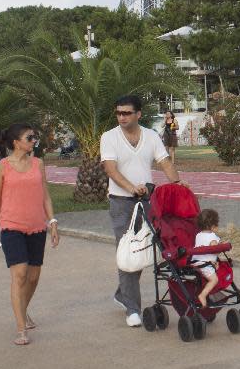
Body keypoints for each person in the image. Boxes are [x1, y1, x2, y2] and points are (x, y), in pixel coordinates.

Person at [101, 95, 184, 327]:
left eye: (126, 113)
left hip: (147, 200)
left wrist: (177, 186)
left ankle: (122, 293)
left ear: (138, 114)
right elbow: (110, 169)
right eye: (118, 113)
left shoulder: (151, 136)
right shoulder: (109, 137)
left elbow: (165, 162)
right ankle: (132, 308)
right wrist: (130, 187)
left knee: (144, 250)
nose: (122, 117)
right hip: (121, 202)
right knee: (128, 251)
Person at [0, 124, 60, 346]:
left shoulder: (38, 164)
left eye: (34, 137)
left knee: (34, 276)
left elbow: (45, 195)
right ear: (16, 142)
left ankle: (23, 309)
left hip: (37, 227)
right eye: (29, 138)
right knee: (19, 274)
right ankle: (21, 328)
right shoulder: (2, 167)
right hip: (12, 227)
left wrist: (53, 222)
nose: (33, 141)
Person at [192, 208, 223, 308]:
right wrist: (222, 246)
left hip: (196, 262)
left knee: (215, 266)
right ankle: (203, 295)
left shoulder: (198, 235)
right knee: (214, 280)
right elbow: (215, 250)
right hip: (205, 265)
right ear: (213, 226)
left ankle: (205, 293)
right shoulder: (212, 237)